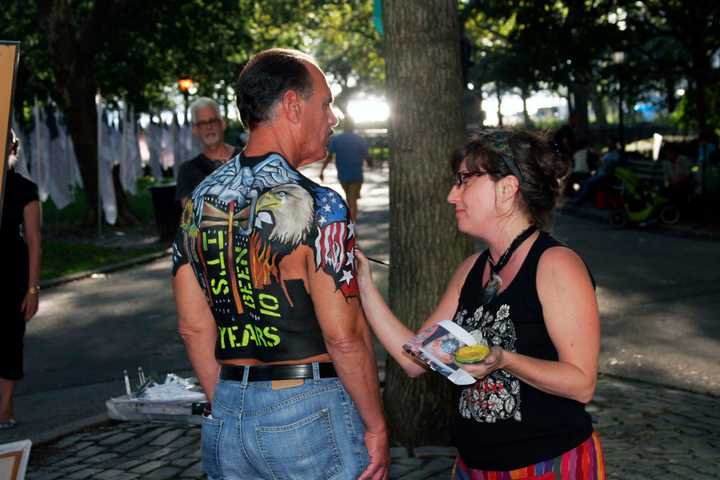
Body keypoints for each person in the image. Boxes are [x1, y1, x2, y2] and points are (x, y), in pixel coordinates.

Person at [171, 48, 388, 480]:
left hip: (228, 409)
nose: (334, 118)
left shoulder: (198, 203)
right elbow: (344, 337)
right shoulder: (319, 205)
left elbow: (193, 327)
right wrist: (376, 425)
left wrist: (233, 403)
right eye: (325, 104)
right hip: (308, 409)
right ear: (293, 105)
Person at [355, 129, 604, 478]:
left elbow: (581, 384)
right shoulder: (471, 270)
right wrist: (364, 284)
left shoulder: (556, 265)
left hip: (546, 464)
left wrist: (504, 359)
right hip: (475, 467)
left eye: (464, 181)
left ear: (507, 189)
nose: (451, 195)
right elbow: (415, 360)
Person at [1, 130, 42, 429]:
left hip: (12, 275)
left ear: (14, 147)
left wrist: (32, 288)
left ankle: (5, 408)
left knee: (10, 341)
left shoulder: (24, 188)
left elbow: (34, 240)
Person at [175, 97, 241, 206]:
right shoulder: (187, 170)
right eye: (202, 123)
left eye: (213, 121)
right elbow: (190, 217)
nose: (209, 127)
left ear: (223, 124)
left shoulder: (247, 157)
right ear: (195, 130)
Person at [319, 117, 370, 220]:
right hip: (356, 174)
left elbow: (329, 156)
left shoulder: (337, 139)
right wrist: (370, 163)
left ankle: (351, 221)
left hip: (343, 174)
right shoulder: (359, 139)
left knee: (350, 198)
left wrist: (322, 170)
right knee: (352, 200)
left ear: (343, 126)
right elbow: (366, 155)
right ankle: (353, 223)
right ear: (353, 126)